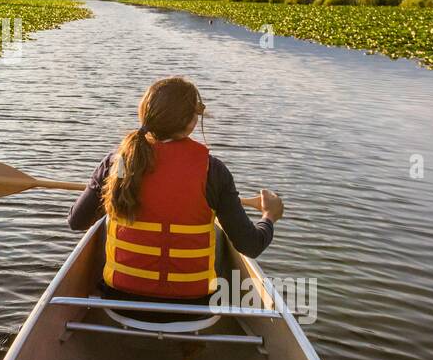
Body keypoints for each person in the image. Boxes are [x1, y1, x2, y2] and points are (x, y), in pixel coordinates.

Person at [67, 76, 283, 304]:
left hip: (120, 300)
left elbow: (76, 222)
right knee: (217, 233)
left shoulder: (116, 163)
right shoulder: (214, 171)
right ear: (190, 122)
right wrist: (269, 216)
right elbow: (251, 245)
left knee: (111, 220)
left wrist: (103, 189)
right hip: (193, 304)